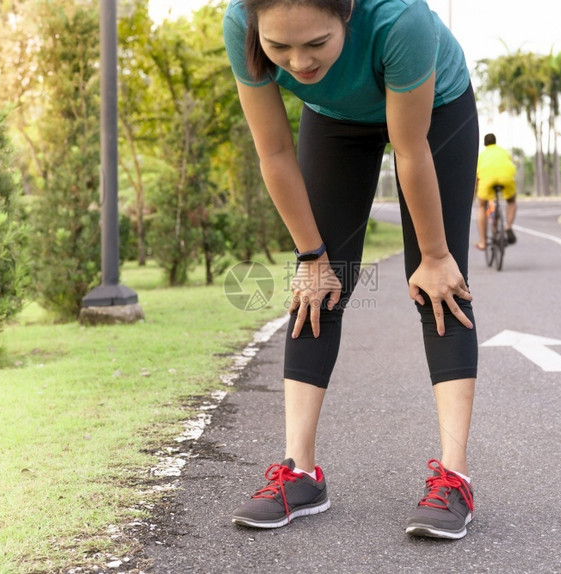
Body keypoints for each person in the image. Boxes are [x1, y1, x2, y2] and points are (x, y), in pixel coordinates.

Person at [223, 0, 479, 540]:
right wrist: (311, 257)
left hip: (436, 110)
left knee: (441, 287)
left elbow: (409, 151)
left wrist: (434, 257)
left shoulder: (399, 19)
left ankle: (453, 479)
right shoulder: (240, 21)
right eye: (279, 47)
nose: (298, 63)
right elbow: (273, 152)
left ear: (348, 16)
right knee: (320, 286)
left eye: (316, 44)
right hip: (337, 119)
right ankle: (299, 474)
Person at [475, 133, 517, 250]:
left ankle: (483, 243)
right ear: (495, 142)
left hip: (487, 180)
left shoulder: (482, 155)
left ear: (484, 144)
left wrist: (475, 192)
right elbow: (510, 166)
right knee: (511, 201)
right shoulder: (503, 152)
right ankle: (508, 226)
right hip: (506, 178)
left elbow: (477, 176)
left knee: (482, 206)